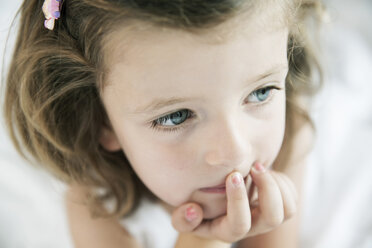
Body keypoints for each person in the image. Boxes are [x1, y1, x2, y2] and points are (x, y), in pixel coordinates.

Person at [2, 0, 325, 247]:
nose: (235, 152)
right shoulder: (95, 201)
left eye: (261, 92)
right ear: (101, 121)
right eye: (177, 116)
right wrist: (202, 240)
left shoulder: (291, 136)